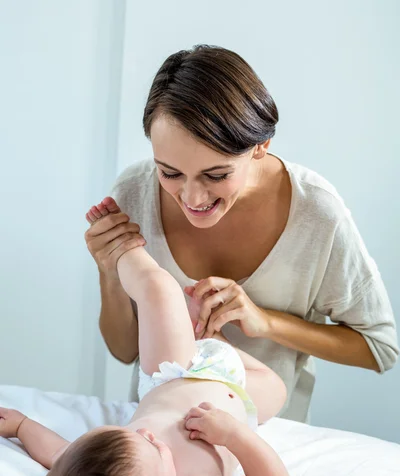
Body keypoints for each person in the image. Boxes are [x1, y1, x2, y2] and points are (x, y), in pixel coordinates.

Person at [85, 44, 398, 422]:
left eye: (216, 175)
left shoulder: (316, 214)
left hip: (267, 435)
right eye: (169, 172)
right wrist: (110, 270)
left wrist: (265, 321)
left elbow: (379, 348)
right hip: (160, 428)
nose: (191, 197)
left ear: (261, 146)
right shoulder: (134, 193)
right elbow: (123, 351)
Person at [0, 220, 290, 476]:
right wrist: (234, 435)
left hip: (173, 373)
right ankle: (208, 336)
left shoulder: (97, 460)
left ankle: (120, 249)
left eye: (131, 434)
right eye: (153, 447)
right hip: (237, 393)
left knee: (160, 291)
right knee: (277, 388)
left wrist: (22, 426)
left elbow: (56, 452)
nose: (147, 433)